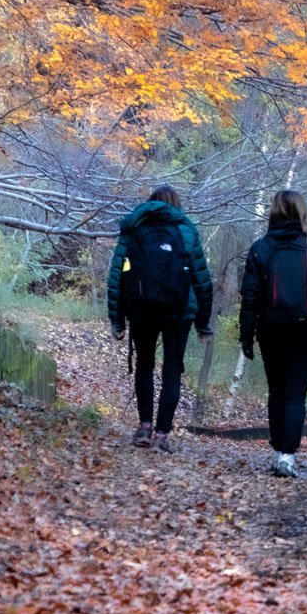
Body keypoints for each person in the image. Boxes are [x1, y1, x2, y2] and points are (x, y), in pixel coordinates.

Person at [107, 184, 213, 452]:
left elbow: (116, 276)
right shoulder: (186, 230)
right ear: (176, 204)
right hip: (179, 312)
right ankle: (162, 437)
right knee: (172, 371)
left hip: (141, 308)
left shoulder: (134, 228)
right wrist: (203, 321)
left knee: (144, 365)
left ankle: (144, 428)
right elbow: (202, 279)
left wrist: (117, 319)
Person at [240, 190, 307, 478]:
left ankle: (276, 450)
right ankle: (287, 456)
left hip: (270, 329)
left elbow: (250, 296)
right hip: (306, 329)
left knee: (277, 392)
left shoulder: (261, 247)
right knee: (295, 394)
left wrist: (246, 336)